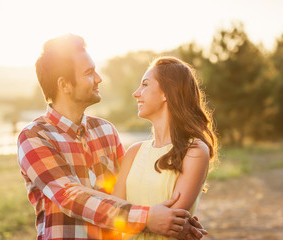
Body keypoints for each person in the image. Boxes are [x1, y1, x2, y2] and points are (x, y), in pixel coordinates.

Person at [17, 34, 207, 240]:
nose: (99, 78)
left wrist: (174, 221)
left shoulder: (106, 131)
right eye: (89, 73)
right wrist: (149, 219)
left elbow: (126, 193)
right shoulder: (35, 136)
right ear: (64, 85)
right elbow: (69, 196)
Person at [66, 56, 218, 239]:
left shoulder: (194, 151)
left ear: (166, 93)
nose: (136, 93)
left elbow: (169, 221)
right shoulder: (134, 152)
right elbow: (115, 212)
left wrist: (137, 218)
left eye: (145, 85)